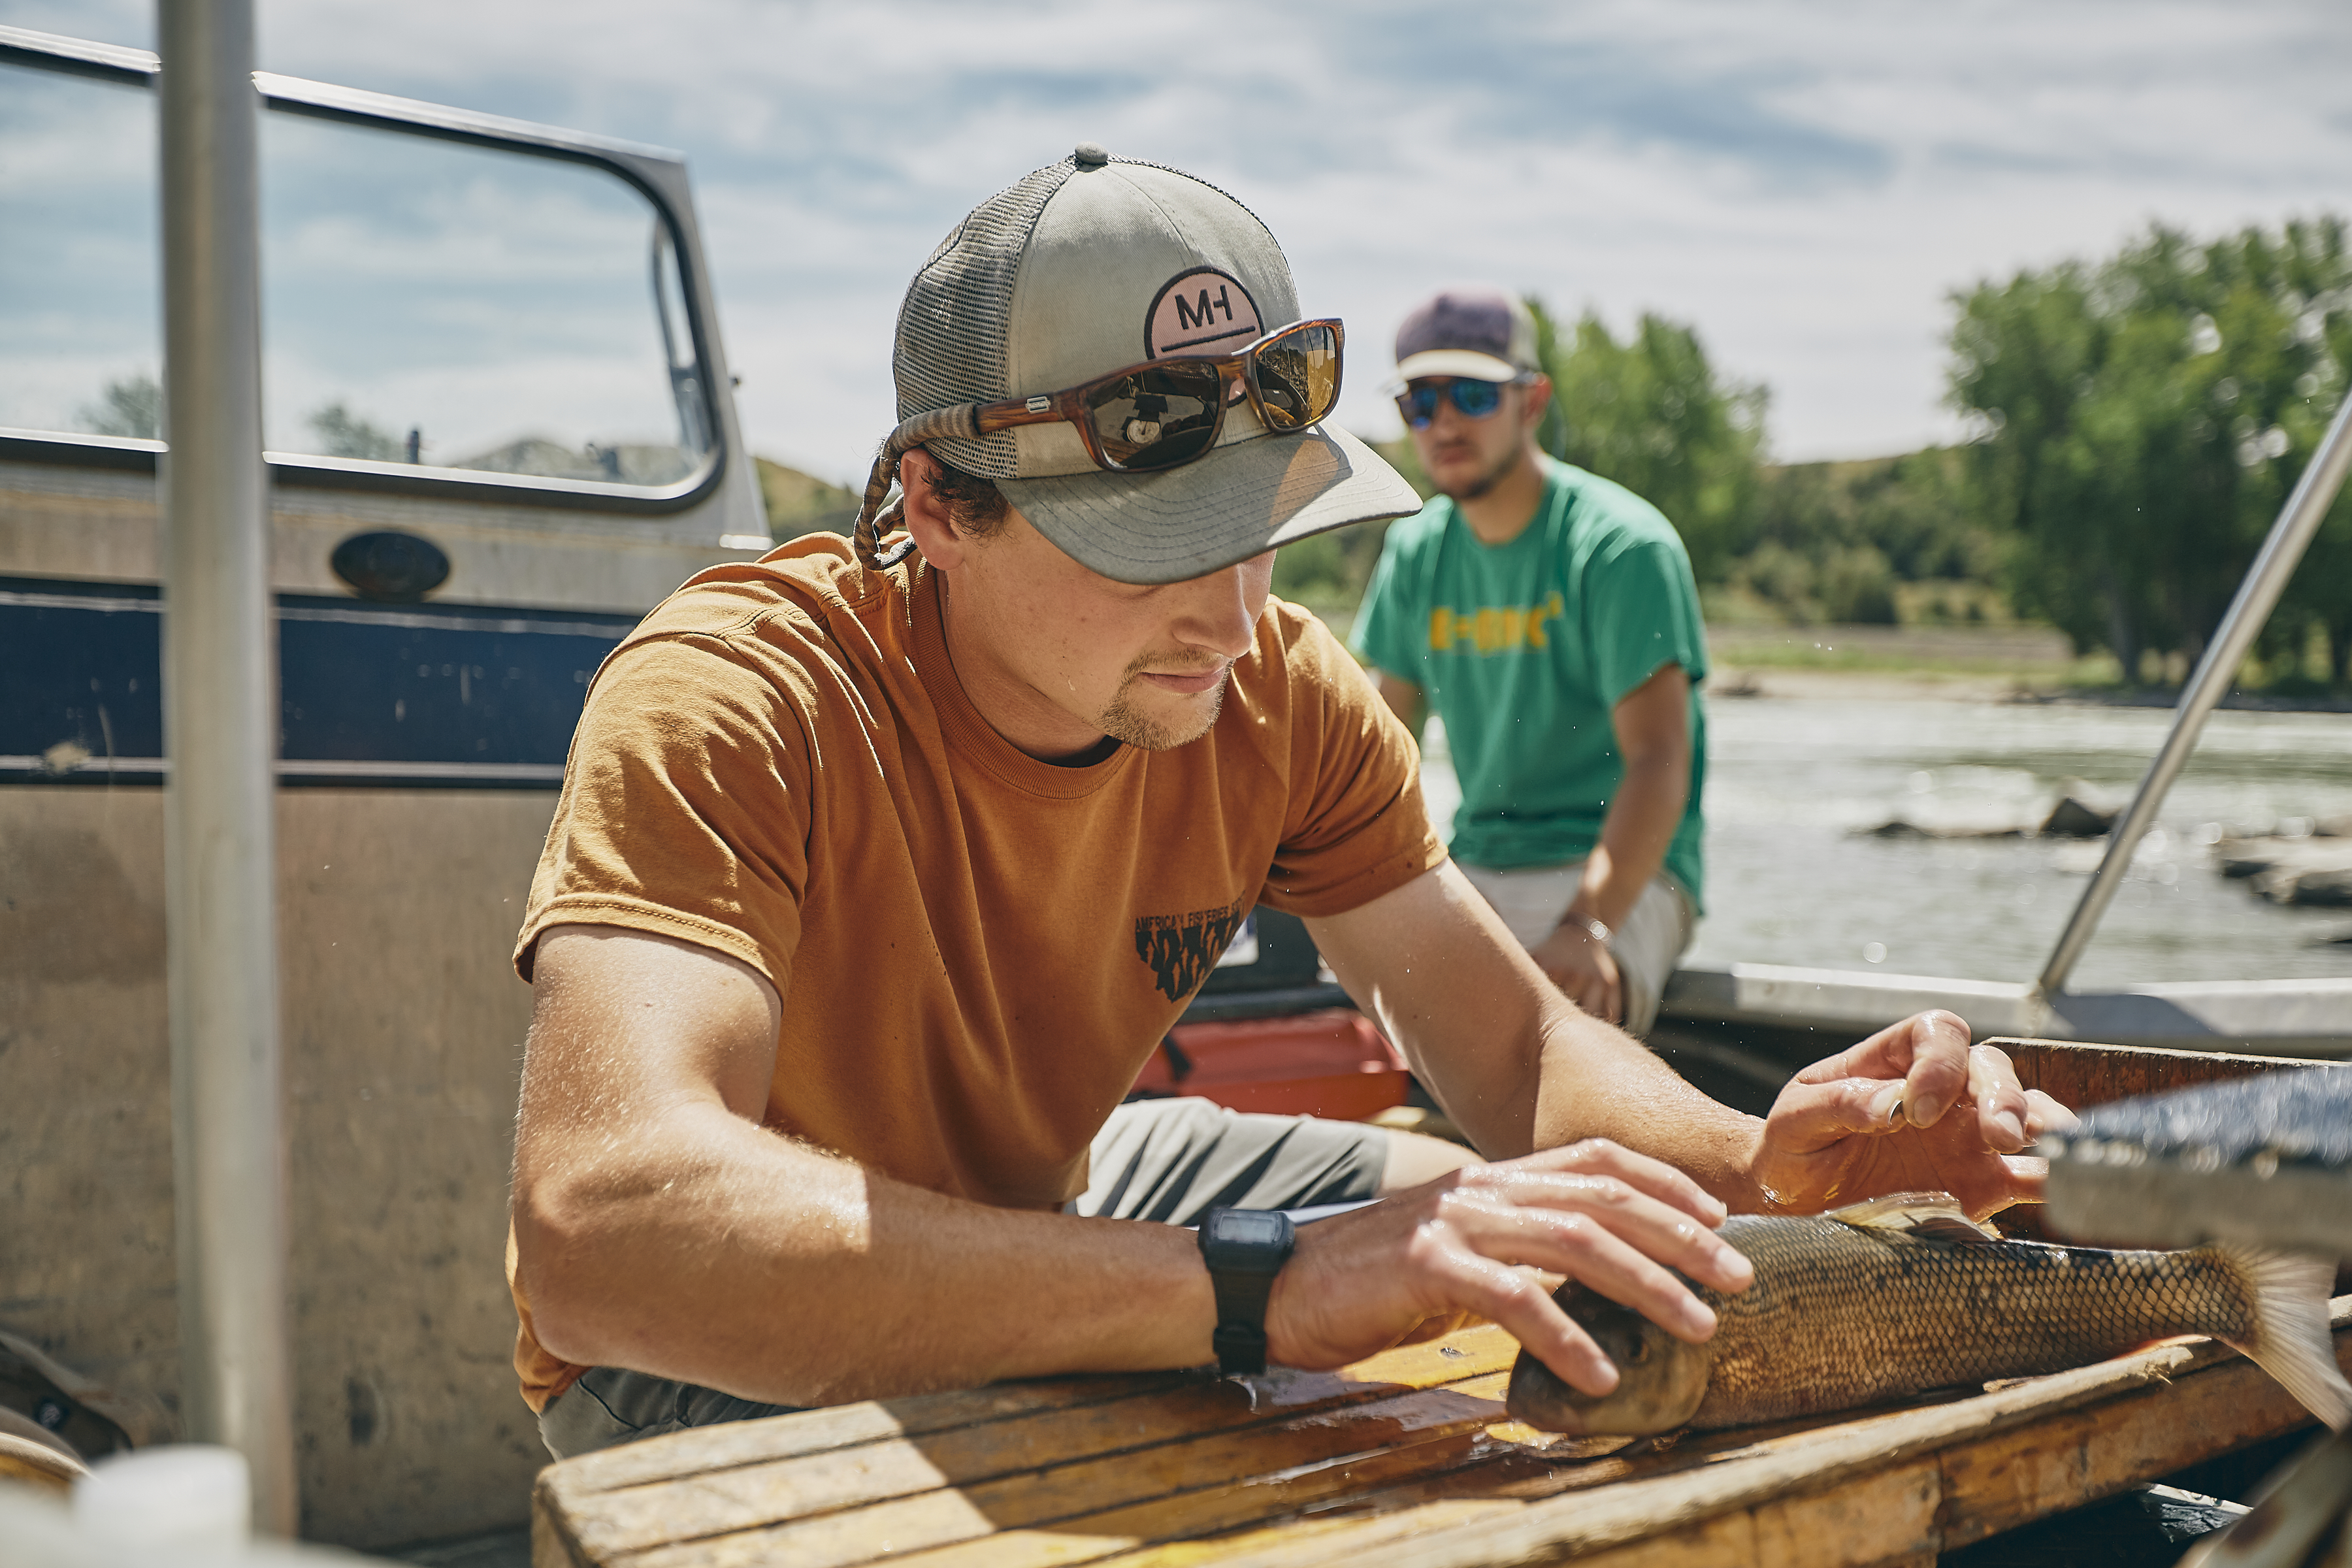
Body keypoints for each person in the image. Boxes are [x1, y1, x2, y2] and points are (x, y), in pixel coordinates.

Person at [506, 146, 2069, 1462]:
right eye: (1155, 537)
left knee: (1543, 1216)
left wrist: (1767, 1158)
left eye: (1261, 521)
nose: (1239, 616)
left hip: (1075, 1186)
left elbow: (1515, 1049)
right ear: (939, 503)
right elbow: (602, 1234)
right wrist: (1258, 1281)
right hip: (704, 1343)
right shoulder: (738, 693)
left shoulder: (1270, 688)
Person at [1353, 287, 1706, 1037]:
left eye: (1473, 395)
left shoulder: (1620, 548)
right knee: (1335, 991)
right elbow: (1382, 747)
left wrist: (1589, 925)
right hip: (1475, 858)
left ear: (1533, 401)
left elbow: (1660, 760)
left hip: (1619, 874)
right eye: (1420, 402)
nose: (1444, 421)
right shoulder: (1415, 549)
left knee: (1551, 1026)